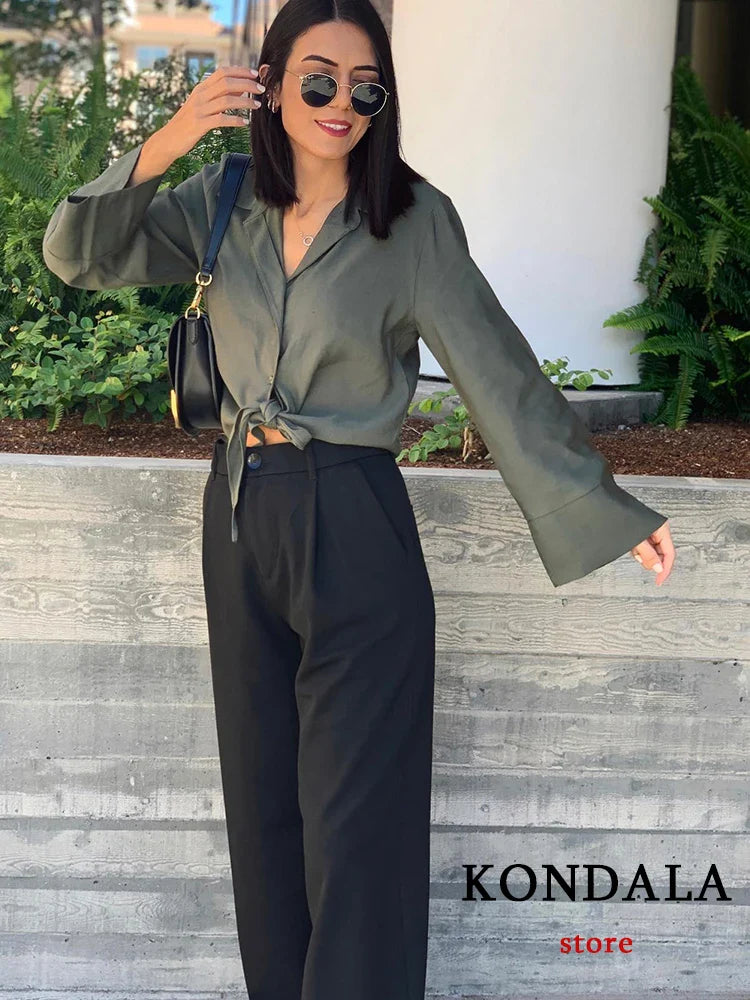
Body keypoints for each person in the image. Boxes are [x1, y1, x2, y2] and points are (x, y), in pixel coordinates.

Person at [41, 2, 675, 997]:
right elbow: (77, 253)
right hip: (239, 512)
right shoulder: (223, 199)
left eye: (367, 87)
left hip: (353, 517)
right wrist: (169, 139)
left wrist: (603, 508)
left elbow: (499, 373)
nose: (343, 102)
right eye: (319, 79)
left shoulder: (410, 223)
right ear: (270, 84)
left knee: (356, 824)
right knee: (264, 813)